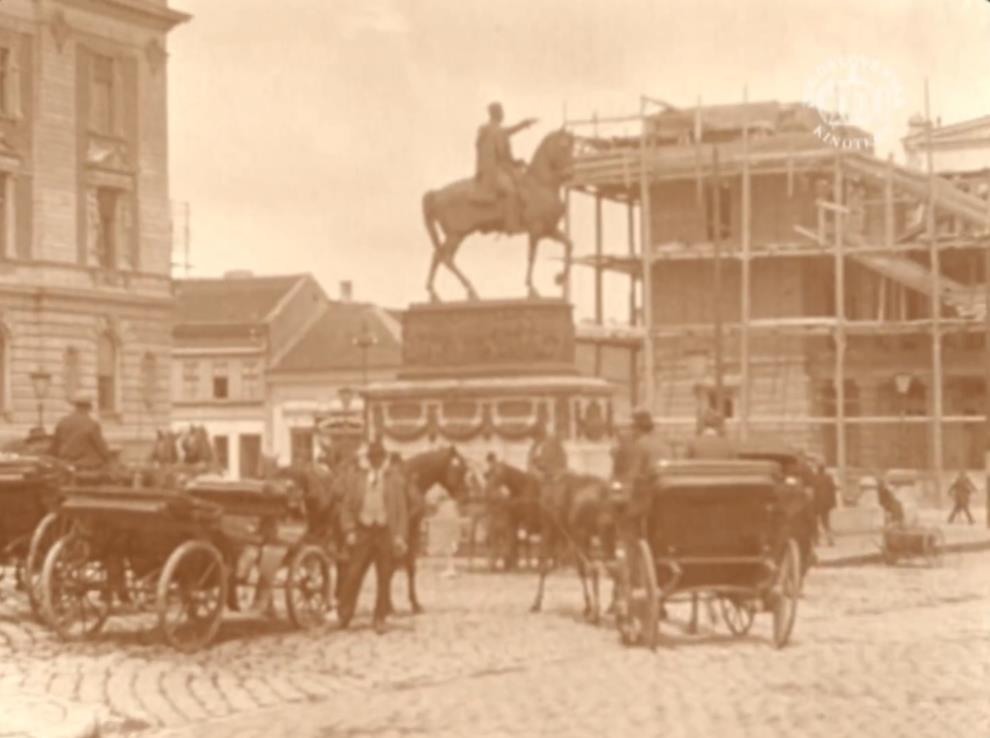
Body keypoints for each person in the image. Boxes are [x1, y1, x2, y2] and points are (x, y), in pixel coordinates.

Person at [337, 438, 409, 635]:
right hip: (363, 531)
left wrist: (400, 536)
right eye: (372, 457)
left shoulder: (393, 479)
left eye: (379, 457)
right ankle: (345, 613)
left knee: (384, 576)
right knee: (354, 573)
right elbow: (347, 507)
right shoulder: (358, 478)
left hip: (385, 532)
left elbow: (401, 510)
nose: (376, 461)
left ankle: (380, 617)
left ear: (384, 459)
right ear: (368, 459)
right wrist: (349, 530)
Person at [474, 102, 537, 232]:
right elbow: (503, 153)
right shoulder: (496, 130)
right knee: (511, 191)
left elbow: (508, 131)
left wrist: (524, 124)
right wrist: (515, 162)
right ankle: (511, 224)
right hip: (494, 171)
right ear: (497, 114)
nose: (503, 114)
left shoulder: (490, 128)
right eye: (502, 112)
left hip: (486, 170)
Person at [51, 392, 112, 472]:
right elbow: (102, 449)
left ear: (75, 406)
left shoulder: (62, 422)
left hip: (65, 465)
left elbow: (55, 446)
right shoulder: (92, 424)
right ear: (89, 407)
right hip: (87, 467)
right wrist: (109, 460)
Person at [813, 461, 837, 546]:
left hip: (817, 503)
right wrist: (833, 503)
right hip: (826, 504)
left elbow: (813, 490)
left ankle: (816, 540)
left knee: (815, 522)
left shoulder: (815, 477)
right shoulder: (828, 477)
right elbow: (833, 489)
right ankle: (830, 540)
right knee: (826, 522)